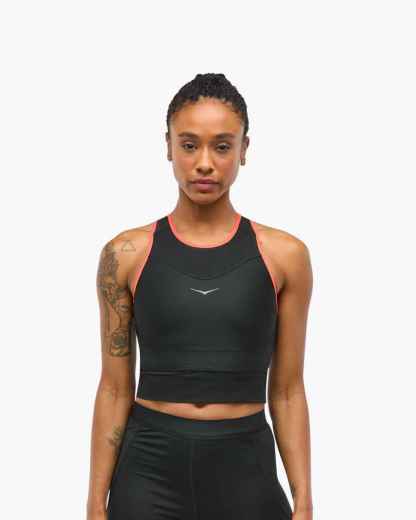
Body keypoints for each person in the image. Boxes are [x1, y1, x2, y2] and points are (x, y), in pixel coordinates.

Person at [87, 73, 313, 520]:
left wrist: (303, 499)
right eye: (189, 145)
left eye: (222, 146)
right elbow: (114, 388)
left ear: (244, 150)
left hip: (245, 468)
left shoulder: (285, 256)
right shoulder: (125, 254)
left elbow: (287, 390)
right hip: (149, 471)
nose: (204, 163)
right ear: (168, 147)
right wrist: (95, 504)